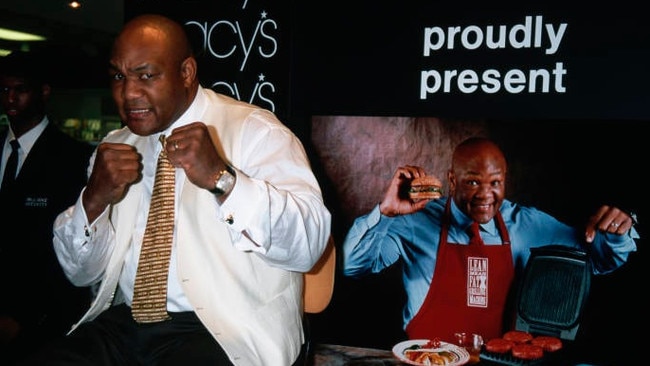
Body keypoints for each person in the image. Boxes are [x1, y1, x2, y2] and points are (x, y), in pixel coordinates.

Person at [18, 14, 331, 366]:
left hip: (226, 328)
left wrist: (223, 180)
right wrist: (93, 199)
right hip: (128, 325)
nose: (129, 92)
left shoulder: (256, 131)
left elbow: (308, 245)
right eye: (119, 76)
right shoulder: (117, 145)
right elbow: (80, 273)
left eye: (146, 75)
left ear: (186, 72)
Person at [342, 136, 638, 345]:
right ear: (452, 180)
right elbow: (352, 266)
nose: (485, 194)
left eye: (495, 182)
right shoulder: (415, 218)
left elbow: (595, 261)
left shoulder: (527, 224)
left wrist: (616, 234)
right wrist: (384, 213)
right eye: (472, 181)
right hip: (426, 359)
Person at [0, 50, 95, 363]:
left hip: (43, 324)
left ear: (43, 92)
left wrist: (25, 318)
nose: (10, 98)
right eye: (4, 90)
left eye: (21, 90)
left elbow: (68, 249)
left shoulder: (74, 159)